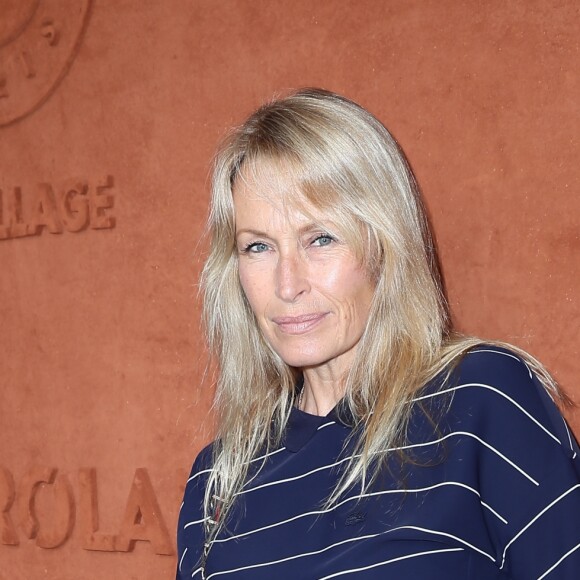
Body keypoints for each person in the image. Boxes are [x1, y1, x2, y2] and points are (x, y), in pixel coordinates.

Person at [177, 88, 580, 579]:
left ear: (384, 243)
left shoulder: (480, 402)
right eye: (258, 247)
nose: (287, 284)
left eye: (320, 239)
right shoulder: (218, 481)